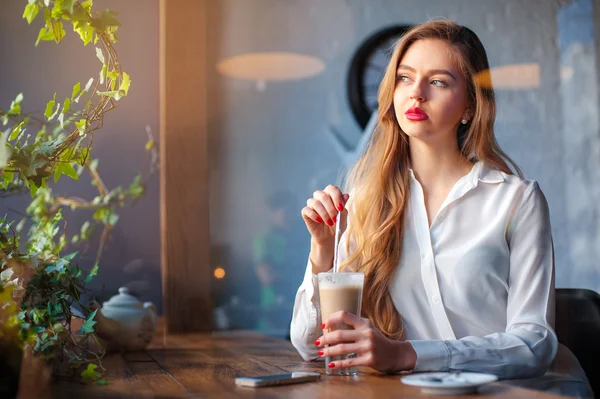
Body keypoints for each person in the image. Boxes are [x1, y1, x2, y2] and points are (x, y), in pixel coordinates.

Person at [290, 20, 593, 397]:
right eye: (404, 77)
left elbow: (534, 344)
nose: (416, 93)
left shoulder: (517, 200)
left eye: (438, 82)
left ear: (469, 105)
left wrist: (408, 354)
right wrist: (321, 251)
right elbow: (311, 347)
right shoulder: (366, 202)